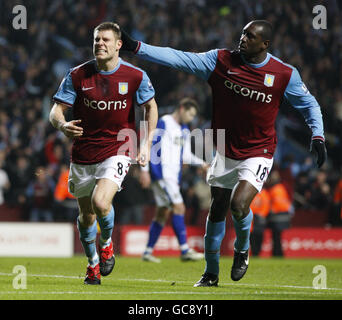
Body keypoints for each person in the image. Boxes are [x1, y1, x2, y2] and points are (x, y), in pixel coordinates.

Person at [120, 19, 327, 286]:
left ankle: (242, 248)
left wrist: (318, 134)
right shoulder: (220, 61)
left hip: (259, 150)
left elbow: (309, 104)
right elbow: (177, 58)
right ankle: (210, 273)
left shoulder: (284, 73)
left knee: (239, 205)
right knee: (217, 208)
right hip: (225, 149)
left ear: (265, 44)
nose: (242, 39)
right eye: (242, 33)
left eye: (250, 36)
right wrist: (136, 47)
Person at [49, 22, 158, 285]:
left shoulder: (136, 76)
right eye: (97, 39)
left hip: (118, 148)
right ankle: (92, 264)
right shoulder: (77, 75)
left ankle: (107, 243)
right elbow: (56, 111)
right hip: (84, 153)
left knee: (100, 203)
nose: (100, 43)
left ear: (119, 44)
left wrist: (145, 145)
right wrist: (63, 125)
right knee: (86, 215)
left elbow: (151, 108)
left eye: (106, 40)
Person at [139, 98, 207, 263]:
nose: (191, 119)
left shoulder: (184, 129)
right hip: (162, 174)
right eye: (190, 114)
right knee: (179, 207)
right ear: (182, 108)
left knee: (162, 212)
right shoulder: (164, 121)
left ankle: (147, 252)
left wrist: (203, 163)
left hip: (172, 177)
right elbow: (149, 144)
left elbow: (185, 155)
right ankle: (185, 250)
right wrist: (145, 170)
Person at [267, 169, 292, 257]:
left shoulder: (275, 189)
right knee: (277, 237)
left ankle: (277, 254)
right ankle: (278, 253)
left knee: (276, 237)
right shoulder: (281, 188)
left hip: (277, 217)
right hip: (282, 216)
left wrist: (270, 210)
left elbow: (277, 203)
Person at [249, 188, 270, 256]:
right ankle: (254, 251)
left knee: (259, 234)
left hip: (259, 217)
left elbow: (266, 204)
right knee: (251, 235)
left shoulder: (263, 192)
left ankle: (257, 251)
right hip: (250, 216)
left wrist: (262, 214)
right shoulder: (249, 191)